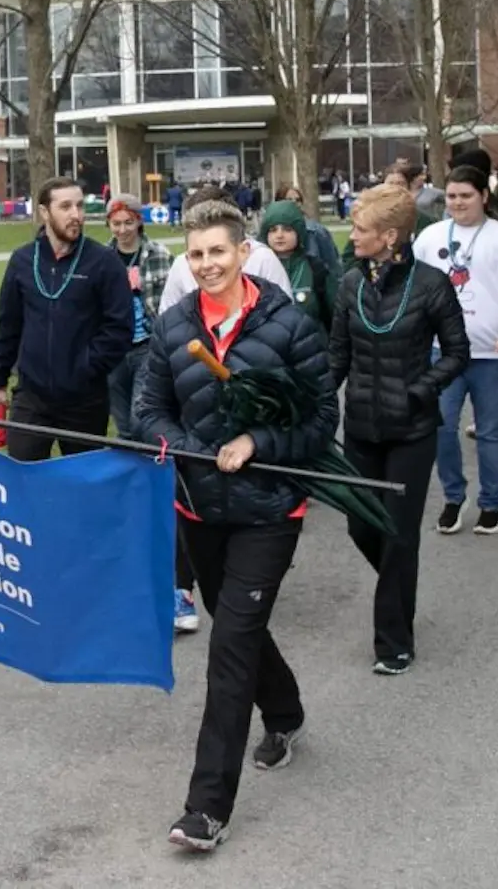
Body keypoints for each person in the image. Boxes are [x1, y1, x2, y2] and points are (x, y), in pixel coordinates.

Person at [133, 198, 337, 853]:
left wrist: (256, 442)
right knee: (234, 625)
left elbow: (319, 421)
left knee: (229, 650)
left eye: (217, 251)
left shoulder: (290, 326)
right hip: (200, 503)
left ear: (244, 253)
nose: (207, 264)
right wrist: (182, 445)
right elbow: (147, 409)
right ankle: (286, 714)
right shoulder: (173, 327)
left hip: (270, 508)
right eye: (196, 255)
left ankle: (205, 809)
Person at [331, 185, 469, 675]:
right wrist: (315, 400)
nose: (353, 236)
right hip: (362, 429)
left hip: (412, 431)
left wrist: (419, 390)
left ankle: (393, 642)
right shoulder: (350, 284)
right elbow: (337, 357)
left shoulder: (431, 284)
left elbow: (457, 353)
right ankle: (399, 585)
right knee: (360, 524)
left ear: (390, 237)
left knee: (399, 534)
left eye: (360, 229)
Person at [414, 165, 498, 537]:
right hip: (444, 353)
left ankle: (491, 505)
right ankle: (454, 498)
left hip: (495, 356)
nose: (457, 203)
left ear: (484, 196)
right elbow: (414, 288)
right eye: (451, 196)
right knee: (440, 428)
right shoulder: (430, 238)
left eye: (465, 195)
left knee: (490, 432)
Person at [0, 178, 134, 461]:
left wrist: (84, 367)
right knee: (21, 477)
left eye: (79, 206)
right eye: (65, 206)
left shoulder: (103, 262)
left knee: (81, 486)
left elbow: (119, 330)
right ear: (44, 212)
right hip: (31, 397)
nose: (76, 215)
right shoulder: (22, 261)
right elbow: (9, 326)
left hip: (85, 400)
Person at [102, 196, 194, 634]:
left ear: (139, 223)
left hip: (147, 348)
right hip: (114, 350)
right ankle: (141, 483)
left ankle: (156, 481)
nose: (122, 230)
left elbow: (171, 308)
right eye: (116, 223)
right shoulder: (103, 260)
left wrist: (138, 291)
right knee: (123, 423)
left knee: (143, 417)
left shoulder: (158, 256)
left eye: (128, 222)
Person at [159, 186, 292, 313]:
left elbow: (286, 313)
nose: (207, 264)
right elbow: (167, 317)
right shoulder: (181, 264)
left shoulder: (263, 258)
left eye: (218, 251)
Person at [259, 199, 335, 329]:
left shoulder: (315, 267)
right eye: (273, 230)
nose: (279, 235)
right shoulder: (257, 268)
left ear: (298, 232)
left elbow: (333, 312)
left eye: (287, 229)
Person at [274, 183, 343, 276]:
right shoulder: (270, 232)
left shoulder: (315, 231)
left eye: (298, 200)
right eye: (289, 200)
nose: (294, 203)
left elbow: (333, 266)